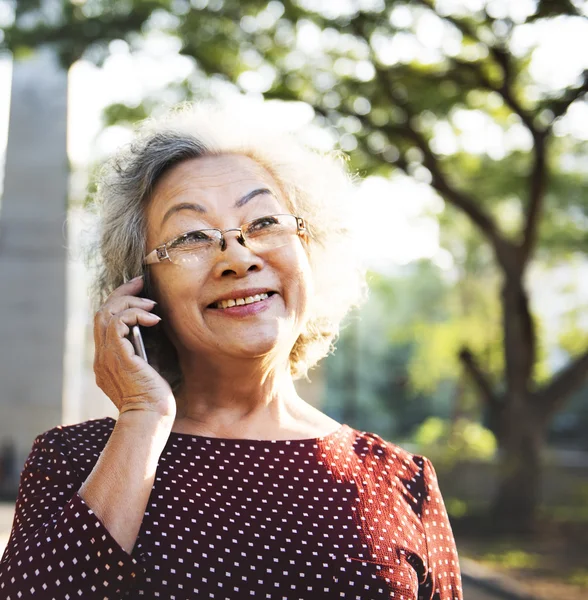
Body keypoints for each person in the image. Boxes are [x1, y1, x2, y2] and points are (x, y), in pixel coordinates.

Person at [0, 105, 462, 599]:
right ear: (140, 287)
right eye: (193, 237)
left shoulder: (401, 480)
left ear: (310, 251)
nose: (238, 258)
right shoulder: (75, 460)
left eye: (264, 222)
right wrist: (141, 419)